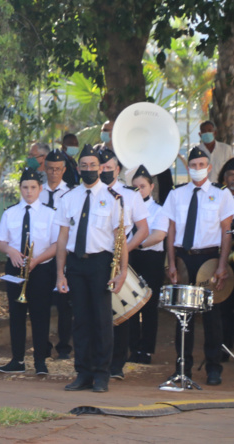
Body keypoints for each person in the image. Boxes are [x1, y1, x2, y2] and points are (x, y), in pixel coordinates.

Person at [55, 144, 129, 393]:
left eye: (93, 165)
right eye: (84, 165)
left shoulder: (113, 198)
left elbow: (120, 239)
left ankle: (101, 374)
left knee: (101, 320)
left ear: (100, 168)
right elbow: (63, 238)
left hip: (101, 264)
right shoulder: (68, 198)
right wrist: (60, 273)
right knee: (80, 320)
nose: (88, 169)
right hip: (76, 263)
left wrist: (122, 272)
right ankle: (83, 373)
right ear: (78, 168)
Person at [163, 147, 234, 386]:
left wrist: (222, 265)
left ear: (209, 167)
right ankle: (183, 367)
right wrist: (171, 262)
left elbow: (226, 232)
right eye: (193, 165)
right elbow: (171, 231)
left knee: (212, 316)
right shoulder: (176, 194)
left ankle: (214, 368)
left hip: (209, 259)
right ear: (188, 167)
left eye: (201, 165)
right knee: (183, 316)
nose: (197, 169)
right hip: (184, 258)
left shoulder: (221, 195)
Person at [0, 167, 58, 375]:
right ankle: (18, 360)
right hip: (15, 268)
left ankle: (40, 360)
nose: (29, 191)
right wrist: (11, 251)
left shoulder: (50, 214)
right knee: (16, 314)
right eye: (25, 187)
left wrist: (36, 260)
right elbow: (0, 242)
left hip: (41, 269)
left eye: (32, 187)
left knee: (40, 314)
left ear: (40, 189)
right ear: (20, 189)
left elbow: (56, 245)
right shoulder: (10, 213)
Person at [98, 149, 149, 380]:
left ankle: (117, 364)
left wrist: (123, 252)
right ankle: (98, 361)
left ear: (117, 170)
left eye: (109, 168)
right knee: (96, 311)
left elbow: (143, 229)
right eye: (101, 168)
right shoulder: (89, 193)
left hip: (120, 258)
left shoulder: (130, 195)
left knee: (121, 308)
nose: (104, 171)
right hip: (95, 257)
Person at [126, 165, 168, 365]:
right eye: (135, 187)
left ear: (151, 187)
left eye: (142, 186)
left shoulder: (159, 210)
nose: (139, 190)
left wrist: (135, 245)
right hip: (131, 258)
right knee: (131, 302)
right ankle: (133, 347)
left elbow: (159, 235)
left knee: (149, 306)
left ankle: (146, 349)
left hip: (151, 259)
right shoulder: (127, 209)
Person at [40, 149, 73, 359]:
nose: (54, 173)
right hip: (43, 253)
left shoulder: (71, 193)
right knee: (42, 301)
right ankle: (43, 346)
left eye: (58, 169)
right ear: (45, 168)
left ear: (64, 170)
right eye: (51, 169)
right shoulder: (37, 191)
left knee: (64, 303)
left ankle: (64, 347)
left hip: (64, 253)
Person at [218, 158, 234, 361]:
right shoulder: (218, 199)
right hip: (223, 262)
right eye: (230, 175)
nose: (233, 179)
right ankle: (223, 347)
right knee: (224, 307)